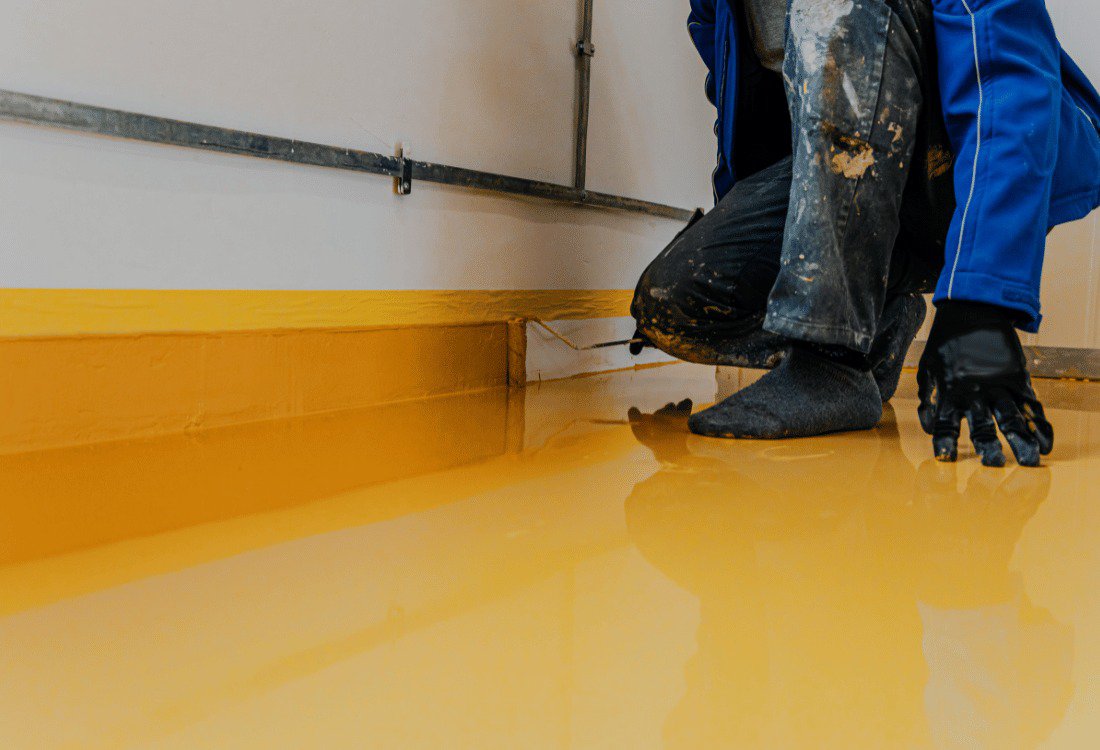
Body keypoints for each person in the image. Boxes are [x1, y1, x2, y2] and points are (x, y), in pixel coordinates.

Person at [631, 0, 1100, 465]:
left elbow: (1009, 76)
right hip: (848, 178)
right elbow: (748, 106)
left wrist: (980, 303)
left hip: (953, 165)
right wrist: (743, 248)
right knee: (674, 304)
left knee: (833, 7)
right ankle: (877, 326)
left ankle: (830, 360)